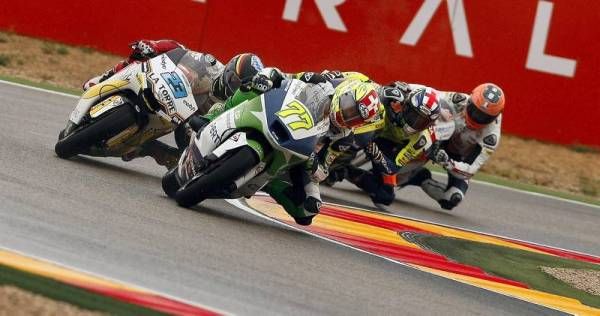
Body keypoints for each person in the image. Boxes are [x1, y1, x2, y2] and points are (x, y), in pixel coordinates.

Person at [199, 71, 383, 225]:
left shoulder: (344, 138)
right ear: (345, 93)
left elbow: (323, 170)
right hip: (280, 115)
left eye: (356, 118)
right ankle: (212, 117)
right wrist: (268, 79)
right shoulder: (320, 81)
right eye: (350, 108)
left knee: (307, 212)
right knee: (256, 83)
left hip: (297, 153)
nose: (348, 117)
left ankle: (269, 181)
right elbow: (286, 78)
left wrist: (313, 163)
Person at [82, 39, 270, 168]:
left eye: (239, 87)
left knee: (193, 157)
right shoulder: (211, 66)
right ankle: (106, 78)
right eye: (234, 81)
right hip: (169, 95)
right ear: (228, 70)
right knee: (142, 57)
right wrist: (153, 46)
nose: (233, 87)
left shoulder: (236, 103)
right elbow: (179, 48)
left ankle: (148, 148)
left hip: (193, 124)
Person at [336, 82, 443, 207]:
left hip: (386, 146)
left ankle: (345, 171)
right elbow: (370, 90)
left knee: (385, 196)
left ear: (429, 124)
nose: (414, 122)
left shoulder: (423, 140)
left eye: (421, 121)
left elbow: (393, 168)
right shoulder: (395, 96)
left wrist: (373, 150)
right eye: (413, 115)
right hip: (368, 127)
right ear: (406, 106)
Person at [411, 83, 505, 210]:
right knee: (439, 110)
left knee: (452, 198)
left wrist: (448, 163)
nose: (476, 117)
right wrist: (406, 87)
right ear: (470, 100)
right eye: (474, 110)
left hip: (460, 158)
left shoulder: (491, 136)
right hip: (439, 140)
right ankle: (407, 159)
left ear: (494, 117)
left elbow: (470, 171)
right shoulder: (459, 100)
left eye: (484, 117)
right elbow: (431, 93)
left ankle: (419, 177)